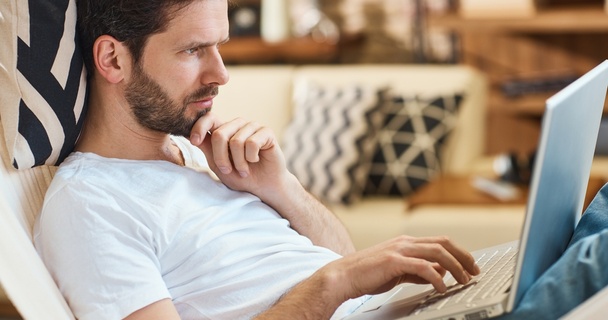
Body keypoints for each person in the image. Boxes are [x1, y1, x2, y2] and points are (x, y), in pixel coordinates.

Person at [32, 0, 608, 319]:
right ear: (112, 58)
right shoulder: (90, 204)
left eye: (220, 46)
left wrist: (281, 188)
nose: (221, 73)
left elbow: (347, 257)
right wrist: (331, 285)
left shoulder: (194, 154)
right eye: (193, 50)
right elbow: (342, 273)